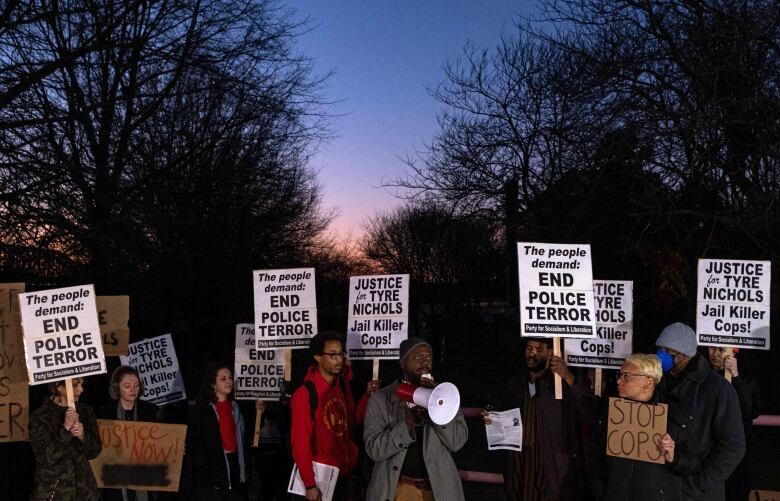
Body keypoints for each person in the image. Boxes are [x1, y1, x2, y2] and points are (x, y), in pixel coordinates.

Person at [482, 338, 594, 501]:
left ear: (550, 353)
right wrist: (490, 416)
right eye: (529, 348)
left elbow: (588, 412)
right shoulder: (515, 384)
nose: (532, 354)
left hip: (551, 467)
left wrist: (567, 376)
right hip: (520, 467)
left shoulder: (562, 385)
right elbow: (498, 409)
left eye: (538, 349)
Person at [364, 336, 468, 501]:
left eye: (428, 357)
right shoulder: (381, 399)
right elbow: (374, 449)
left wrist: (440, 409)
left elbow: (457, 442)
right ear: (403, 363)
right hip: (399, 489)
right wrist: (407, 424)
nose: (424, 361)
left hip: (436, 491)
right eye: (417, 357)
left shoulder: (446, 396)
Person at [655, 322, 745, 500]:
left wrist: (698, 485)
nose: (661, 356)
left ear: (684, 355)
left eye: (667, 352)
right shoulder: (657, 382)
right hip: (661, 487)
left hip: (696, 493)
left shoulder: (718, 390)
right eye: (659, 349)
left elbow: (733, 447)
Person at [590, 354, 698, 500]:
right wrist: (602, 493)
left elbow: (694, 462)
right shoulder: (610, 413)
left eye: (627, 376)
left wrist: (673, 457)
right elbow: (596, 459)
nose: (618, 381)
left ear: (648, 382)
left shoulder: (673, 416)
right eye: (619, 374)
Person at [290, 331, 359, 501]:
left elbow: (352, 421)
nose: (339, 359)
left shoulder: (341, 387)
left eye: (341, 353)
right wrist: (309, 484)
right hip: (317, 481)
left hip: (340, 476)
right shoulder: (304, 394)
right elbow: (300, 441)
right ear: (317, 357)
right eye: (332, 354)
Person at [28, 377, 102, 501]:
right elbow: (47, 457)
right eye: (75, 385)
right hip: (54, 492)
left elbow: (94, 451)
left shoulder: (85, 411)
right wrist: (65, 428)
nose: (81, 389)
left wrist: (83, 437)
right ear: (59, 387)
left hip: (85, 492)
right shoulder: (40, 417)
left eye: (81, 385)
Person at [184, 363, 248, 501]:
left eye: (230, 377)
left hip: (235, 468)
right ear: (213, 384)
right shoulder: (202, 410)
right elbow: (194, 444)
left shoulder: (236, 407)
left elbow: (246, 437)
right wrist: (208, 473)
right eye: (223, 379)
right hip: (212, 477)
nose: (229, 381)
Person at [705, 346, 761, 500]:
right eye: (711, 348)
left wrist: (735, 377)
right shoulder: (703, 377)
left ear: (733, 352)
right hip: (709, 452)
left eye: (721, 349)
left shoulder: (747, 378)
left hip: (738, 458)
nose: (715, 354)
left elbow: (749, 411)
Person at [98, 365, 160, 501]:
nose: (133, 390)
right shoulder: (105, 414)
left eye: (136, 385)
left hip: (145, 475)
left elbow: (162, 443)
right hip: (116, 480)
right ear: (116, 388)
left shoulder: (151, 411)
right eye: (127, 386)